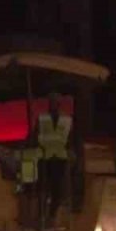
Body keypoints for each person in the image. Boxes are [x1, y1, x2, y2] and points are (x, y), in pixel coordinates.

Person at [33, 92, 74, 221]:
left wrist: (71, 153)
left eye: (55, 102)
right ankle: (42, 215)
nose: (53, 105)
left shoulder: (66, 120)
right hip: (46, 158)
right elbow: (36, 136)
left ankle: (51, 215)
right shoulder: (42, 119)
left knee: (57, 189)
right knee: (44, 189)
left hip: (60, 158)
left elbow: (71, 139)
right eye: (51, 102)